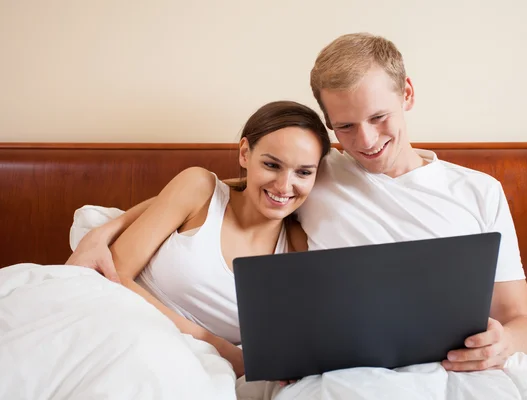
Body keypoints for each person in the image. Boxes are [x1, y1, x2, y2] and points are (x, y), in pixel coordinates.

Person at [68, 33, 527, 374]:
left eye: (379, 117)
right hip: (356, 373)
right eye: (347, 127)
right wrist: (104, 231)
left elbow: (525, 321)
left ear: (408, 95)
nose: (367, 141)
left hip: (452, 366)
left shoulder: (479, 191)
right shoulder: (316, 169)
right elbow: (225, 189)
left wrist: (503, 343)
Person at [67, 100, 332, 378]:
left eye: (303, 172)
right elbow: (115, 274)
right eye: (271, 165)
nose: (284, 186)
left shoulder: (300, 248)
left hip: (195, 371)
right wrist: (212, 342)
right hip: (121, 328)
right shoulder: (200, 189)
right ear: (245, 153)